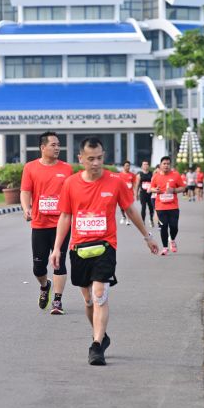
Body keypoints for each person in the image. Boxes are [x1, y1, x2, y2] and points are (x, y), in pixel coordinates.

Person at [50, 137, 158, 366]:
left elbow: (130, 210)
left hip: (106, 246)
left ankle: (97, 345)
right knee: (89, 300)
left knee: (100, 294)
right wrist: (57, 248)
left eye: (100, 158)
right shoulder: (70, 184)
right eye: (91, 159)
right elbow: (66, 216)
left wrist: (147, 237)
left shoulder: (115, 182)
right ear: (81, 159)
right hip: (79, 248)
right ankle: (99, 333)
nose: (96, 163)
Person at [20, 131, 73, 315]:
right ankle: (45, 286)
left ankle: (57, 301)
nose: (57, 148)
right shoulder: (30, 168)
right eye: (53, 145)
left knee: (59, 261)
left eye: (59, 145)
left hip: (61, 223)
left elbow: (72, 193)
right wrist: (26, 208)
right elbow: (25, 191)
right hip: (39, 224)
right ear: (43, 147)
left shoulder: (66, 168)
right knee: (38, 267)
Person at [150, 156, 185, 256]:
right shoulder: (156, 176)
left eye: (168, 164)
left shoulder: (175, 175)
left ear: (170, 165)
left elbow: (183, 188)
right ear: (160, 165)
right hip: (160, 207)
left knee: (174, 227)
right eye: (164, 164)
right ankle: (165, 248)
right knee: (163, 227)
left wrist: (173, 190)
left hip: (173, 206)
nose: (166, 165)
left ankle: (172, 239)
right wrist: (155, 190)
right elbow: (151, 188)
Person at [136, 160, 154, 227]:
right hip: (143, 193)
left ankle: (151, 219)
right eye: (144, 164)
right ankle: (142, 222)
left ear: (148, 166)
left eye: (147, 164)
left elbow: (154, 183)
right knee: (143, 207)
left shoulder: (151, 174)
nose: (146, 165)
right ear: (142, 166)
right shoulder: (139, 175)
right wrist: (136, 194)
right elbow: (137, 185)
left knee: (151, 207)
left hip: (150, 193)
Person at [118, 160, 137, 226]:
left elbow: (134, 184)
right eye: (126, 166)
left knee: (129, 207)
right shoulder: (119, 175)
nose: (128, 167)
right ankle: (123, 216)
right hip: (122, 193)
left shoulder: (132, 175)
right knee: (122, 206)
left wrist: (135, 193)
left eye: (129, 166)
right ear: (123, 166)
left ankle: (128, 220)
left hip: (130, 193)